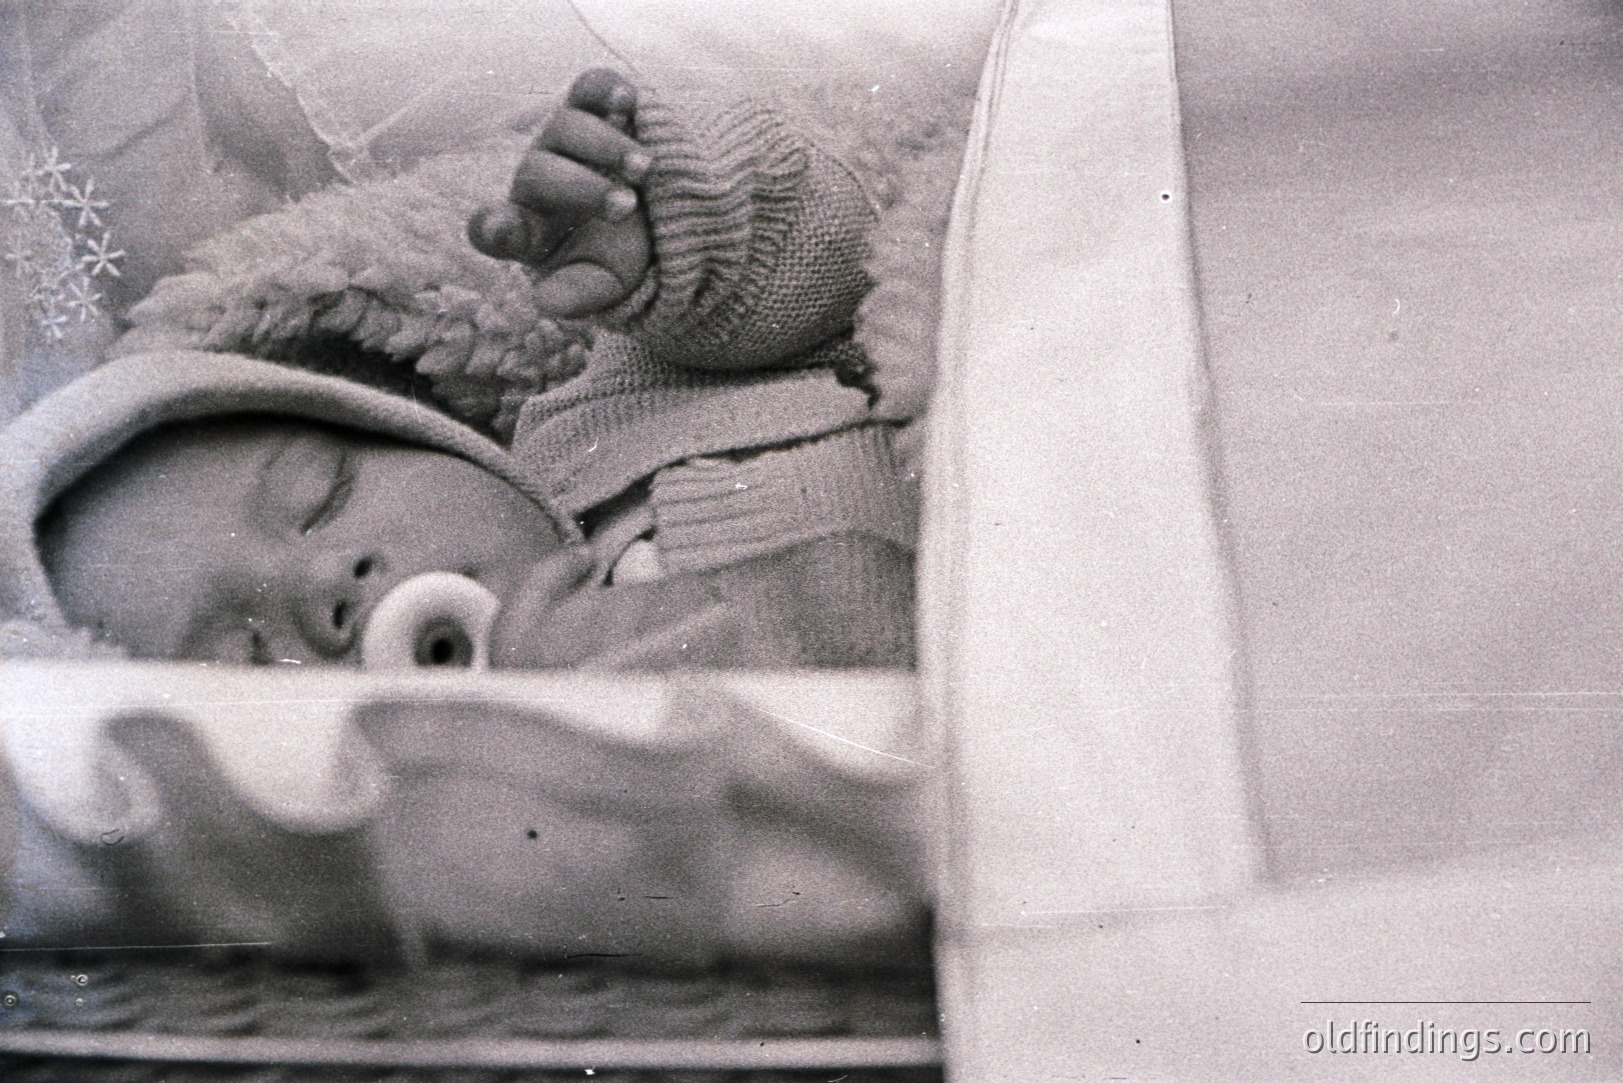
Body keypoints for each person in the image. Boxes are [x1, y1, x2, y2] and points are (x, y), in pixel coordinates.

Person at [6, 71, 917, 669]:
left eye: (320, 496)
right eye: (242, 651)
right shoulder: (494, 810)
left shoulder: (607, 414)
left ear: (417, 429)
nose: (328, 585)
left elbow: (834, 264)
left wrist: (666, 231)